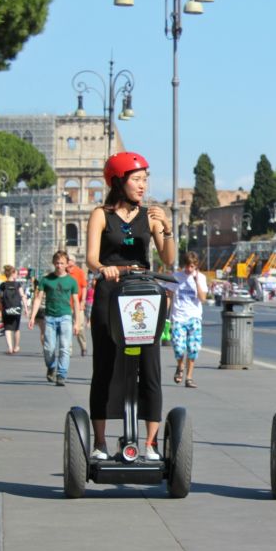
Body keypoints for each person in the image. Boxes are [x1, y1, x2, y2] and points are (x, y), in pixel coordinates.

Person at [86, 151, 175, 461]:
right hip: (110, 291)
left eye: (145, 180)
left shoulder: (149, 215)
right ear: (118, 181)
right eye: (137, 179)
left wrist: (166, 227)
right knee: (105, 366)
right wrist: (104, 268)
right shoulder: (101, 214)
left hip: (142, 292)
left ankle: (149, 444)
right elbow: (92, 258)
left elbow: (168, 259)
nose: (143, 185)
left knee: (149, 366)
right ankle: (99, 442)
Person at [28, 251, 81, 386]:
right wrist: (32, 316)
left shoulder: (71, 281)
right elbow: (38, 298)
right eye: (57, 263)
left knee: (65, 347)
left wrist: (77, 322)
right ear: (53, 263)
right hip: (50, 317)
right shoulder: (46, 280)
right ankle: (51, 366)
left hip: (65, 317)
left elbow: (75, 302)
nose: (59, 265)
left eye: (62, 263)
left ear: (66, 264)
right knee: (49, 348)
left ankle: (61, 374)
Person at [167, 251, 208, 389]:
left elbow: (202, 299)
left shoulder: (201, 278)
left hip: (194, 317)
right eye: (187, 266)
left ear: (196, 266)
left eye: (192, 266)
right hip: (178, 317)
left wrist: (196, 282)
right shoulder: (176, 277)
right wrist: (166, 316)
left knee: (193, 348)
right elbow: (169, 295)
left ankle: (189, 377)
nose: (189, 269)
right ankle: (180, 365)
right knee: (178, 348)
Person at [0, 265, 29, 355]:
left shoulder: (2, 285)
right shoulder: (18, 285)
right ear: (13, 274)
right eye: (16, 273)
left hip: (6, 308)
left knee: (7, 328)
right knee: (16, 328)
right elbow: (23, 296)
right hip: (17, 308)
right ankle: (16, 346)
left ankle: (10, 348)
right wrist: (26, 309)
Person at [66, 253, 89, 356]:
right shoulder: (63, 272)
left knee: (79, 328)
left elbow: (84, 287)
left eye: (70, 260)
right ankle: (68, 350)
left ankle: (83, 347)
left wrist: (83, 300)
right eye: (67, 260)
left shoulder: (79, 272)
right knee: (67, 328)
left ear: (74, 262)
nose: (68, 262)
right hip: (66, 305)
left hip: (78, 305)